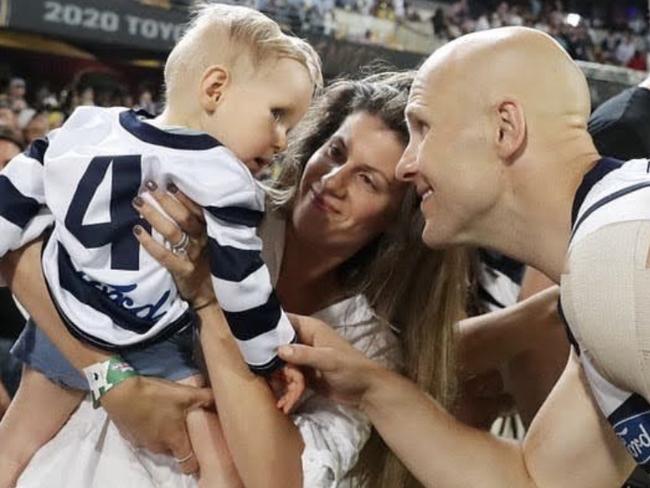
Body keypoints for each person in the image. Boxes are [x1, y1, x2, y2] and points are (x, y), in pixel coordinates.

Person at [8, 71, 472, 487]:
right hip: (66, 461)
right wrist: (116, 384)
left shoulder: (364, 344)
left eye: (368, 180)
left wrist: (209, 300)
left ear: (397, 220)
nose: (333, 180)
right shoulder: (220, 199)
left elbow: (278, 480)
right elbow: (22, 258)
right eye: (336, 152)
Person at [277, 27, 649, 486]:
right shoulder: (602, 266)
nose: (405, 166)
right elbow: (537, 480)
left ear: (504, 129)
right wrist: (372, 386)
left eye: (423, 128)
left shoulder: (620, 260)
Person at [0, 4, 321, 485]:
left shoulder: (88, 125)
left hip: (65, 319)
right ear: (215, 89)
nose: (280, 141)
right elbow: (241, 288)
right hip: (150, 336)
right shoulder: (225, 179)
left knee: (13, 444)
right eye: (277, 116)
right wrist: (271, 355)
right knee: (206, 439)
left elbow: (16, 193)